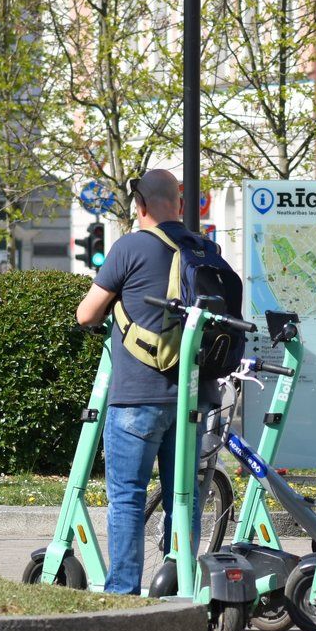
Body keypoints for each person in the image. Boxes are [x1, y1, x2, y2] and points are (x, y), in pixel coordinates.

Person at [75, 168, 219, 594]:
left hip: (137, 396)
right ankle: (182, 585)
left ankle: (123, 592)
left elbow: (86, 314)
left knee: (127, 498)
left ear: (139, 204)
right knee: (184, 498)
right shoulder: (205, 249)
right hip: (192, 399)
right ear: (179, 203)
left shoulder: (131, 247)